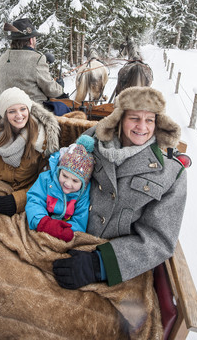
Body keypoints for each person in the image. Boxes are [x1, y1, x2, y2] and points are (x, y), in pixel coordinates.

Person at [53, 86, 187, 290]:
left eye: (149, 119)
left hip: (114, 263)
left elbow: (159, 239)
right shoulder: (94, 140)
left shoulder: (171, 173)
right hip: (66, 233)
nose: (142, 127)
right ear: (120, 119)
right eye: (134, 118)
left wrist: (99, 265)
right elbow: (63, 173)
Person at [0, 87, 60, 216]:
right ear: (5, 114)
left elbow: (46, 183)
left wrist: (18, 201)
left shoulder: (41, 140)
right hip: (0, 193)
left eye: (23, 109)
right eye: (12, 111)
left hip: (30, 197)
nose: (19, 115)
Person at [25, 134, 94, 242]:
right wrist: (42, 222)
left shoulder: (83, 195)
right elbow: (34, 200)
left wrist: (66, 231)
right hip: (42, 222)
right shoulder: (46, 180)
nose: (67, 183)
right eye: (64, 176)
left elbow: (80, 219)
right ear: (58, 171)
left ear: (83, 183)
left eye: (75, 181)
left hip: (64, 230)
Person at [0, 18, 66, 104]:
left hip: (7, 106)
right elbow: (51, 90)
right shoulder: (37, 59)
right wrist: (60, 87)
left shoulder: (3, 57)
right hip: (33, 109)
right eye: (34, 38)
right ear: (31, 40)